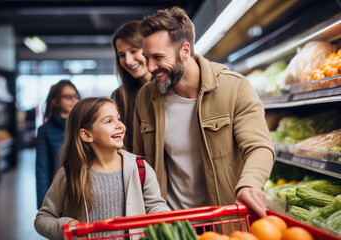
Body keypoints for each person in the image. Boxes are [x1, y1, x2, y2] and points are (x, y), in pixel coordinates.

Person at [133, 7, 275, 218]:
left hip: (223, 218)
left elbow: (259, 147)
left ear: (185, 50)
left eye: (158, 57)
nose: (151, 67)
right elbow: (140, 161)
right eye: (147, 58)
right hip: (173, 223)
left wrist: (250, 184)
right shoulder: (147, 97)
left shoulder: (234, 88)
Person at [34, 97, 170, 240]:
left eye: (118, 118)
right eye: (108, 121)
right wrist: (68, 225)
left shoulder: (140, 168)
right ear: (87, 135)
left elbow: (155, 206)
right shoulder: (70, 173)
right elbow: (42, 219)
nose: (119, 125)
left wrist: (165, 219)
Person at [36, 79, 80, 209]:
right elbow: (42, 169)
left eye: (76, 96)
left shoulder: (83, 126)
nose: (74, 100)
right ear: (54, 101)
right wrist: (43, 207)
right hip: (58, 195)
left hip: (81, 192)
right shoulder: (45, 131)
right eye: (68, 97)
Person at [111, 20, 152, 152]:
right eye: (122, 55)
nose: (128, 61)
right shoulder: (120, 96)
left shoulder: (171, 89)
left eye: (134, 51)